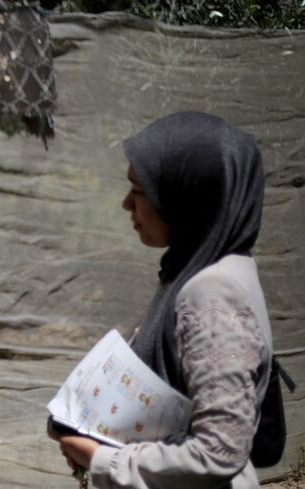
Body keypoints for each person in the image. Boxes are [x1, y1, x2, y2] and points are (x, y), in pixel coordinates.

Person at [52, 112, 272, 488]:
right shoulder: (211, 267)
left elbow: (217, 452)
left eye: (139, 192)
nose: (126, 204)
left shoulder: (213, 293)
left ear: (186, 196)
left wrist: (101, 459)